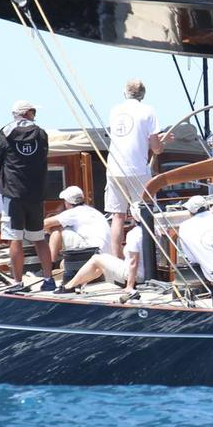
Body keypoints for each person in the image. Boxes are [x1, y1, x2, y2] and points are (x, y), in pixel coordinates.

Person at [105, 79, 173, 259]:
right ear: (143, 94)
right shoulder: (148, 111)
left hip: (113, 168)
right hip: (137, 169)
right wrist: (164, 141)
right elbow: (156, 148)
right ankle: (147, 261)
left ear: (124, 93)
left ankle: (117, 261)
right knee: (145, 214)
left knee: (117, 216)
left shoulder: (114, 110)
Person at [0, 99, 53, 289]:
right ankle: (48, 279)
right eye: (33, 111)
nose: (35, 115)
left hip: (13, 193)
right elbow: (43, 154)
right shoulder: (41, 133)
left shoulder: (6, 133)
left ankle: (18, 282)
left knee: (15, 239)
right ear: (27, 113)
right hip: (35, 193)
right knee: (39, 238)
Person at [56, 211, 143, 294]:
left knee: (96, 258)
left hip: (137, 277)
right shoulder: (153, 229)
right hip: (144, 274)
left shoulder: (134, 234)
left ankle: (69, 286)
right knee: (100, 265)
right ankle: (79, 283)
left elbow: (133, 262)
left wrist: (130, 286)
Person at [43, 186, 111, 262]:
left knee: (56, 230)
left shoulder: (73, 213)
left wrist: (49, 231)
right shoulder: (93, 211)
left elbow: (45, 223)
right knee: (63, 264)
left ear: (67, 202)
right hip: (106, 253)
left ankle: (50, 264)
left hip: (93, 252)